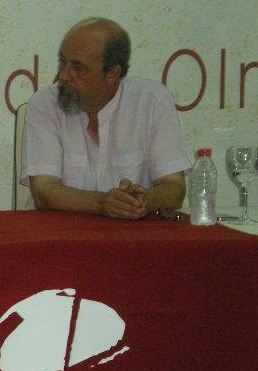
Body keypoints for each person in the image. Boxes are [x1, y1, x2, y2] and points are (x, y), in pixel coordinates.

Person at [21, 17, 191, 219]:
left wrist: (142, 200)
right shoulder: (45, 103)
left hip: (132, 232)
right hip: (59, 232)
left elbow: (174, 189)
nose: (64, 76)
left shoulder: (153, 101)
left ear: (112, 74)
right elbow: (43, 192)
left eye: (78, 68)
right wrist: (102, 203)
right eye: (62, 62)